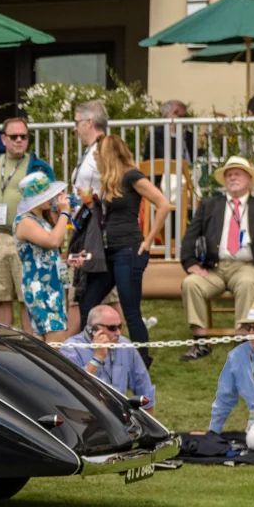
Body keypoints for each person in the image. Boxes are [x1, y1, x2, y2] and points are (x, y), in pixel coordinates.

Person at [78, 134, 172, 368]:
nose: (95, 156)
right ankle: (89, 355)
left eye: (98, 152)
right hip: (108, 252)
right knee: (87, 301)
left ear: (108, 153)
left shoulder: (132, 176)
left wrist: (148, 241)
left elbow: (163, 204)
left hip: (128, 251)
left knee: (131, 310)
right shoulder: (109, 180)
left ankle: (141, 364)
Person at [0, 118, 54, 330]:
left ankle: (29, 345)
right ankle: (3, 347)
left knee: (28, 298)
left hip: (27, 237)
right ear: (3, 139)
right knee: (0, 298)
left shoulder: (39, 167)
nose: (19, 140)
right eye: (14, 136)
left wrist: (53, 236)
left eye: (23, 136)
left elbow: (52, 204)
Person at [180, 157, 254, 361]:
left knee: (248, 282)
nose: (232, 177)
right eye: (229, 175)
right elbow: (190, 236)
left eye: (237, 174)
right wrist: (191, 264)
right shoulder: (210, 205)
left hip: (247, 265)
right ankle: (200, 341)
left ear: (249, 179)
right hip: (214, 267)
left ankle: (242, 340)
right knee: (191, 283)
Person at [12, 172, 74, 341]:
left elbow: (47, 252)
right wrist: (65, 212)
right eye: (47, 193)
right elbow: (53, 241)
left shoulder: (42, 220)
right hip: (40, 285)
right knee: (56, 333)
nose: (52, 197)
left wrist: (67, 261)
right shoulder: (25, 221)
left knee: (45, 337)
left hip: (51, 282)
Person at [62, 305, 156, 412]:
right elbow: (74, 386)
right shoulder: (71, 348)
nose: (118, 333)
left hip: (118, 415)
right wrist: (98, 358)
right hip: (84, 413)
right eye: (112, 328)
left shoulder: (124, 345)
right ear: (94, 329)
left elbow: (144, 388)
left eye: (119, 326)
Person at [210, 301, 254, 448]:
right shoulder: (236, 357)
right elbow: (224, 399)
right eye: (248, 328)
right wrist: (213, 433)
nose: (252, 333)